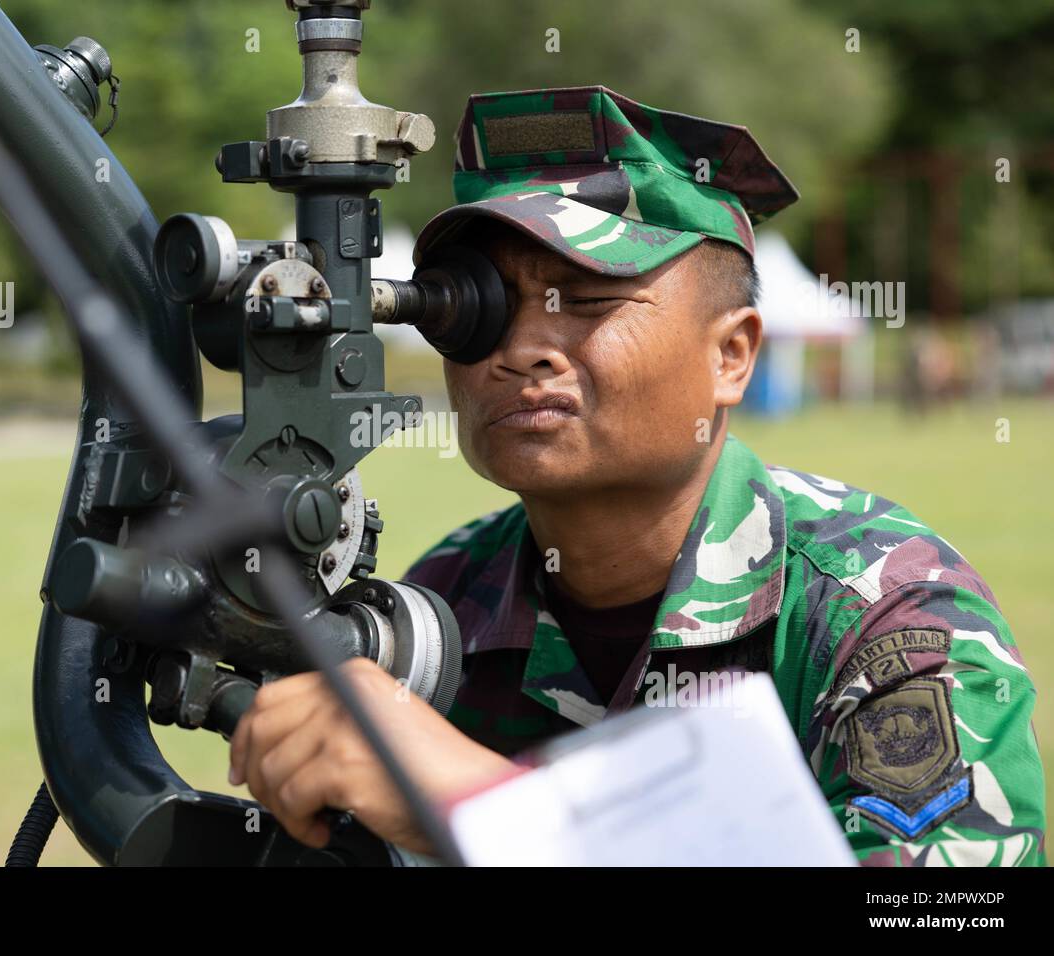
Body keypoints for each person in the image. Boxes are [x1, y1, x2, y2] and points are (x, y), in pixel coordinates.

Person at [227, 85, 1046, 866]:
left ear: (731, 356)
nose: (519, 351)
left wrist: (488, 811)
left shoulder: (880, 607)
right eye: (478, 306)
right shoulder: (443, 607)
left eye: (584, 300)